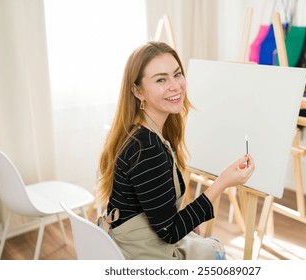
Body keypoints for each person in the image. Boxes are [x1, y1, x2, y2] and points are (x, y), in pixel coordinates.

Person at [97, 41, 255, 260]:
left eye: (177, 74)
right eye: (161, 79)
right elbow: (170, 232)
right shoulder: (147, 149)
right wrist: (223, 182)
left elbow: (158, 211)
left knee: (203, 242)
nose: (176, 86)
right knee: (217, 249)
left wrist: (187, 224)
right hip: (140, 255)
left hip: (127, 243)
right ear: (137, 91)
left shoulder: (135, 132)